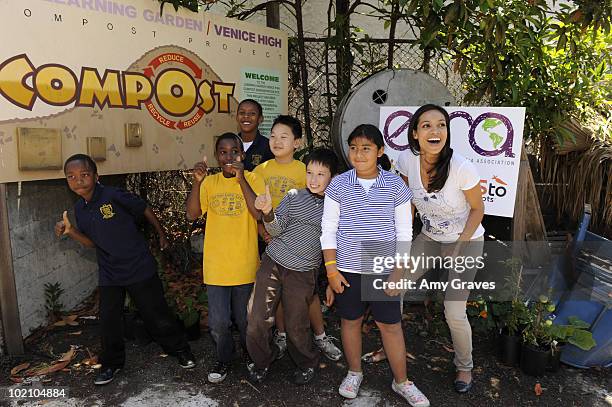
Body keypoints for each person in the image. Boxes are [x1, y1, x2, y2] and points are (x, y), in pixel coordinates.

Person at [55, 154, 196, 386]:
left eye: (84, 175)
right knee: (109, 319)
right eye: (71, 177)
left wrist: (161, 235)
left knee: (155, 313)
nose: (77, 180)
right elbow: (92, 243)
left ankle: (180, 349)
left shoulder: (113, 195)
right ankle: (111, 364)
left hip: (137, 265)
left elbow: (144, 209)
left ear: (96, 176)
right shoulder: (79, 209)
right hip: (110, 271)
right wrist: (70, 231)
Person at [321, 125, 430, 406]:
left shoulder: (395, 186)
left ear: (380, 152)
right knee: (350, 321)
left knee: (390, 326)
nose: (359, 154)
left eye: (366, 148)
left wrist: (398, 271)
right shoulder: (338, 184)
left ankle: (401, 381)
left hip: (383, 269)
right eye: (354, 147)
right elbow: (328, 230)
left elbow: (405, 232)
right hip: (347, 269)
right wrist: (332, 271)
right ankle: (354, 372)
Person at [396, 104, 485, 393]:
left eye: (441, 125)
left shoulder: (461, 167)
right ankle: (392, 347)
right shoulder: (406, 161)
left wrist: (459, 245)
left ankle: (464, 366)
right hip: (430, 237)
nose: (435, 131)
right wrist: (404, 241)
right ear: (415, 133)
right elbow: (408, 201)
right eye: (427, 125)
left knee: (454, 310)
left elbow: (478, 209)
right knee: (392, 288)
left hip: (466, 239)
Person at [246, 148, 339, 385]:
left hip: (304, 271)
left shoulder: (336, 205)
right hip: (273, 262)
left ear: (332, 177)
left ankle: (307, 362)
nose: (314, 179)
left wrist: (332, 274)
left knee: (296, 323)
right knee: (257, 317)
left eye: (321, 174)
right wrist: (267, 212)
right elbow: (275, 230)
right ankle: (261, 360)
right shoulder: (294, 196)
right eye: (310, 173)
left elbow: (338, 240)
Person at [185, 133, 265, 384]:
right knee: (218, 323)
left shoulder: (253, 179)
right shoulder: (210, 183)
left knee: (245, 320)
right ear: (217, 156)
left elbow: (259, 214)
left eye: (234, 151)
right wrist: (197, 182)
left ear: (242, 154)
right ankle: (224, 358)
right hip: (216, 266)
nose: (229, 156)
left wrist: (241, 179)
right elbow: (191, 214)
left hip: (245, 264)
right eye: (223, 152)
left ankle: (251, 356)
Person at [236, 99, 274, 171]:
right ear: (237, 117)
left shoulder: (268, 147)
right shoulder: (230, 144)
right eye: (242, 113)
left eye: (252, 113)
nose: (246, 116)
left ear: (260, 119)